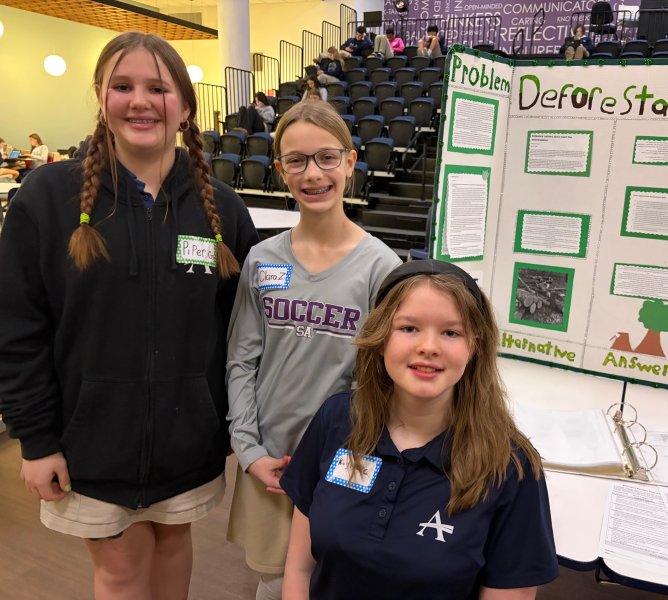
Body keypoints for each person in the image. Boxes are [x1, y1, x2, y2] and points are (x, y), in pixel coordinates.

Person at [0, 31, 259, 599]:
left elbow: (239, 332)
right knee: (120, 571)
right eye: (122, 86)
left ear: (185, 107)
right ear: (101, 96)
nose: (140, 101)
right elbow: (18, 329)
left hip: (188, 442)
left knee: (172, 548)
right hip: (89, 444)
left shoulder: (223, 210)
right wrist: (36, 439)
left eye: (157, 88)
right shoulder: (46, 198)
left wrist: (231, 425)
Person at [280, 259, 560, 599]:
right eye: (409, 328)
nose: (428, 347)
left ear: (474, 345)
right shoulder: (337, 420)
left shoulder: (511, 466)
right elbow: (299, 568)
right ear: (381, 336)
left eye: (451, 332)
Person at [226, 100, 401, 600]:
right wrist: (249, 451)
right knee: (273, 579)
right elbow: (241, 361)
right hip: (270, 461)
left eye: (326, 157)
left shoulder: (382, 268)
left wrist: (349, 456)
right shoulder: (262, 259)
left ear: (350, 161)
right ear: (280, 170)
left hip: (344, 461)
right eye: (297, 161)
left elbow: (382, 383)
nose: (313, 173)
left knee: (338, 578)